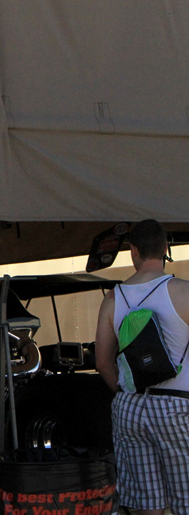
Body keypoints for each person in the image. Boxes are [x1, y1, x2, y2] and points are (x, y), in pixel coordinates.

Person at [96, 219, 189, 515]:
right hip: (177, 406)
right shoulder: (183, 292)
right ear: (165, 249)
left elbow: (102, 362)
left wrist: (127, 391)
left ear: (133, 251)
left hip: (130, 407)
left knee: (148, 504)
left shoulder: (113, 298)